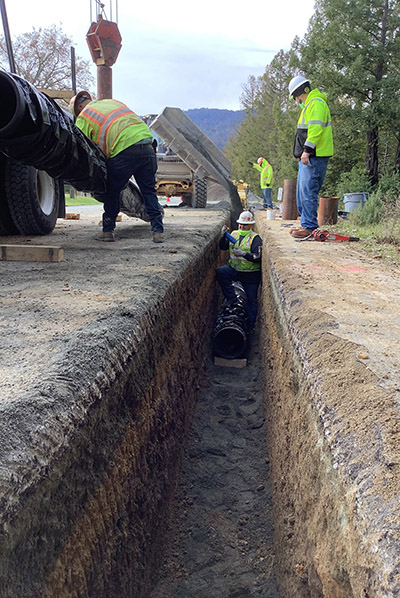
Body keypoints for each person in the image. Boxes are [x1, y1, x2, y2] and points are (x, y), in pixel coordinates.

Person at [70, 90, 164, 243]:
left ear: (79, 108)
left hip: (124, 150)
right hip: (147, 145)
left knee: (113, 190)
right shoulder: (113, 103)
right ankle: (158, 232)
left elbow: (83, 148)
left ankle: (108, 231)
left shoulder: (84, 117)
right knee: (149, 191)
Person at [288, 75, 334, 239]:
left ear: (300, 93)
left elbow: (315, 130)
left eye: (296, 98)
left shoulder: (316, 104)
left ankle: (309, 227)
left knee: (308, 192)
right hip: (308, 157)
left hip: (314, 156)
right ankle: (306, 224)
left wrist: (307, 150)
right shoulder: (309, 106)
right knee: (302, 193)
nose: (296, 101)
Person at [216, 211, 262, 330]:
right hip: (235, 270)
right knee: (221, 272)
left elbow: (258, 257)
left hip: (250, 275)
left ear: (251, 225)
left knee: (252, 300)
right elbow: (223, 247)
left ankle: (251, 326)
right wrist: (222, 237)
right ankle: (231, 298)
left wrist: (244, 254)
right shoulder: (234, 234)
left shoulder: (255, 239)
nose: (241, 226)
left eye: (244, 225)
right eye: (240, 224)